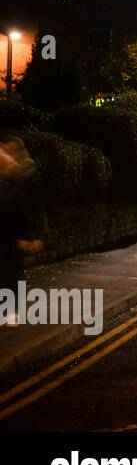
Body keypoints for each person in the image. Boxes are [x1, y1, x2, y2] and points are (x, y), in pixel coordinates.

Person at [0, 137, 40, 326]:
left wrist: (29, 237)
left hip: (12, 237)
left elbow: (25, 209)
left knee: (11, 273)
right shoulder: (9, 177)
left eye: (6, 151)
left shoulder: (24, 176)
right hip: (8, 235)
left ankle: (11, 313)